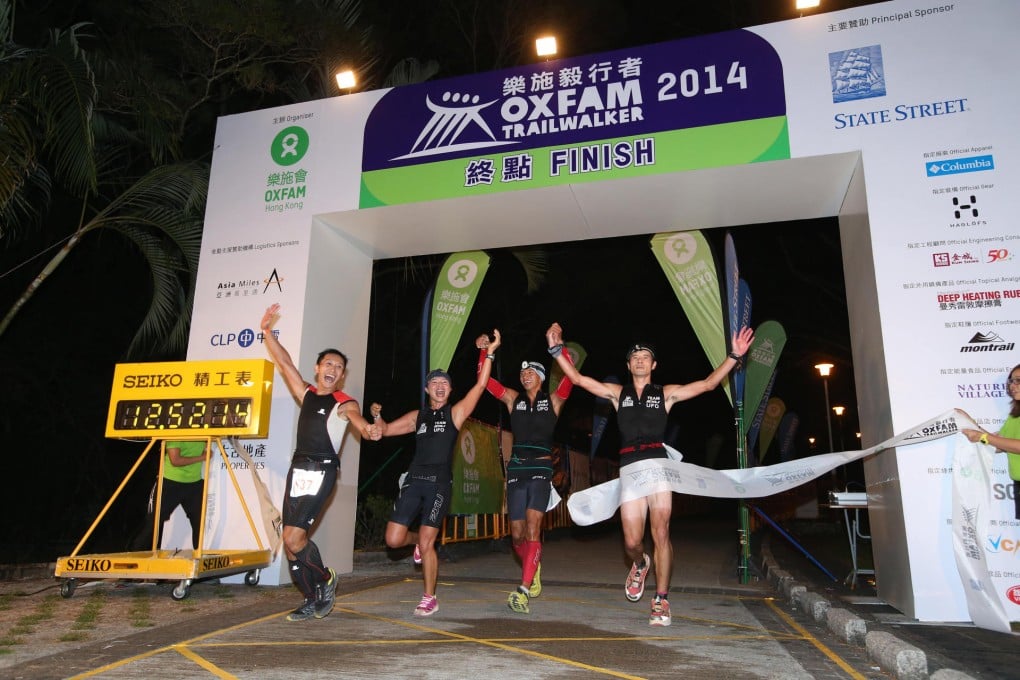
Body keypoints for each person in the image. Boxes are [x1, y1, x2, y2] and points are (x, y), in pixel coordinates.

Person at [546, 322, 754, 626]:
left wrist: (734, 357)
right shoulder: (618, 393)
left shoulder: (665, 394)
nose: (640, 360)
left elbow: (708, 384)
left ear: (654, 365)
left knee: (661, 531)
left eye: (645, 356)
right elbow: (577, 378)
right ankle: (641, 563)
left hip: (658, 467)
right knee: (632, 541)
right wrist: (556, 350)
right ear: (629, 365)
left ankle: (661, 599)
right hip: (630, 468)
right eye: (635, 357)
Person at [369, 330, 500, 617]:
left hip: (439, 485)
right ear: (427, 389)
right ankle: (417, 541)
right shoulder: (418, 416)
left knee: (430, 543)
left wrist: (489, 353)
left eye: (445, 383)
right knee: (393, 540)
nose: (440, 387)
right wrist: (378, 417)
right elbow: (386, 431)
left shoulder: (455, 414)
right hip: (414, 482)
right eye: (434, 383)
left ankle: (429, 596)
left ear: (450, 391)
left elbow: (479, 386)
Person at [260, 303, 375, 622]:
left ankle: (326, 580)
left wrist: (366, 427)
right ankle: (311, 598)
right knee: (290, 541)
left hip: (322, 470)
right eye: (328, 364)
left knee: (295, 539)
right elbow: (283, 363)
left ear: (342, 375)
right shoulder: (307, 393)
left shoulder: (343, 401)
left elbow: (355, 417)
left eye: (339, 368)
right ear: (317, 368)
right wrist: (267, 333)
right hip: (298, 469)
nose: (333, 369)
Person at [476, 330, 573, 614]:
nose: (524, 375)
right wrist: (486, 351)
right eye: (522, 373)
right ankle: (534, 563)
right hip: (517, 469)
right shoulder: (512, 399)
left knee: (533, 529)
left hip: (542, 468)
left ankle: (523, 588)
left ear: (541, 376)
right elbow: (484, 382)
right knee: (516, 535)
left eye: (530, 372)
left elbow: (571, 378)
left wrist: (560, 348)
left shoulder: (554, 400)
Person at [960, 363, 1020, 519]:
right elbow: (999, 445)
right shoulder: (1014, 416)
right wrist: (971, 423)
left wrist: (982, 437)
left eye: (1018, 380)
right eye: (1011, 381)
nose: (1013, 385)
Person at [157, 440, 209, 551]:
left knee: (199, 523)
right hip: (170, 481)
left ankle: (198, 556)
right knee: (153, 522)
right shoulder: (177, 430)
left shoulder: (202, 431)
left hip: (194, 482)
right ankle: (133, 556)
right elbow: (175, 460)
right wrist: (202, 457)